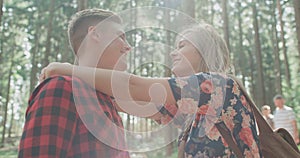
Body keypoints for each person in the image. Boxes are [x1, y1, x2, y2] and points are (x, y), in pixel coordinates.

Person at [41, 23, 262, 157]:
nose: (173, 53)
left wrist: (69, 69)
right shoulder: (190, 108)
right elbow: (126, 101)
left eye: (182, 46)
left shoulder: (220, 86)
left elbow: (134, 86)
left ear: (204, 51)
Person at [18, 9, 134, 157]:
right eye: (121, 36)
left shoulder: (108, 101)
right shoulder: (62, 88)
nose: (128, 46)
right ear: (95, 34)